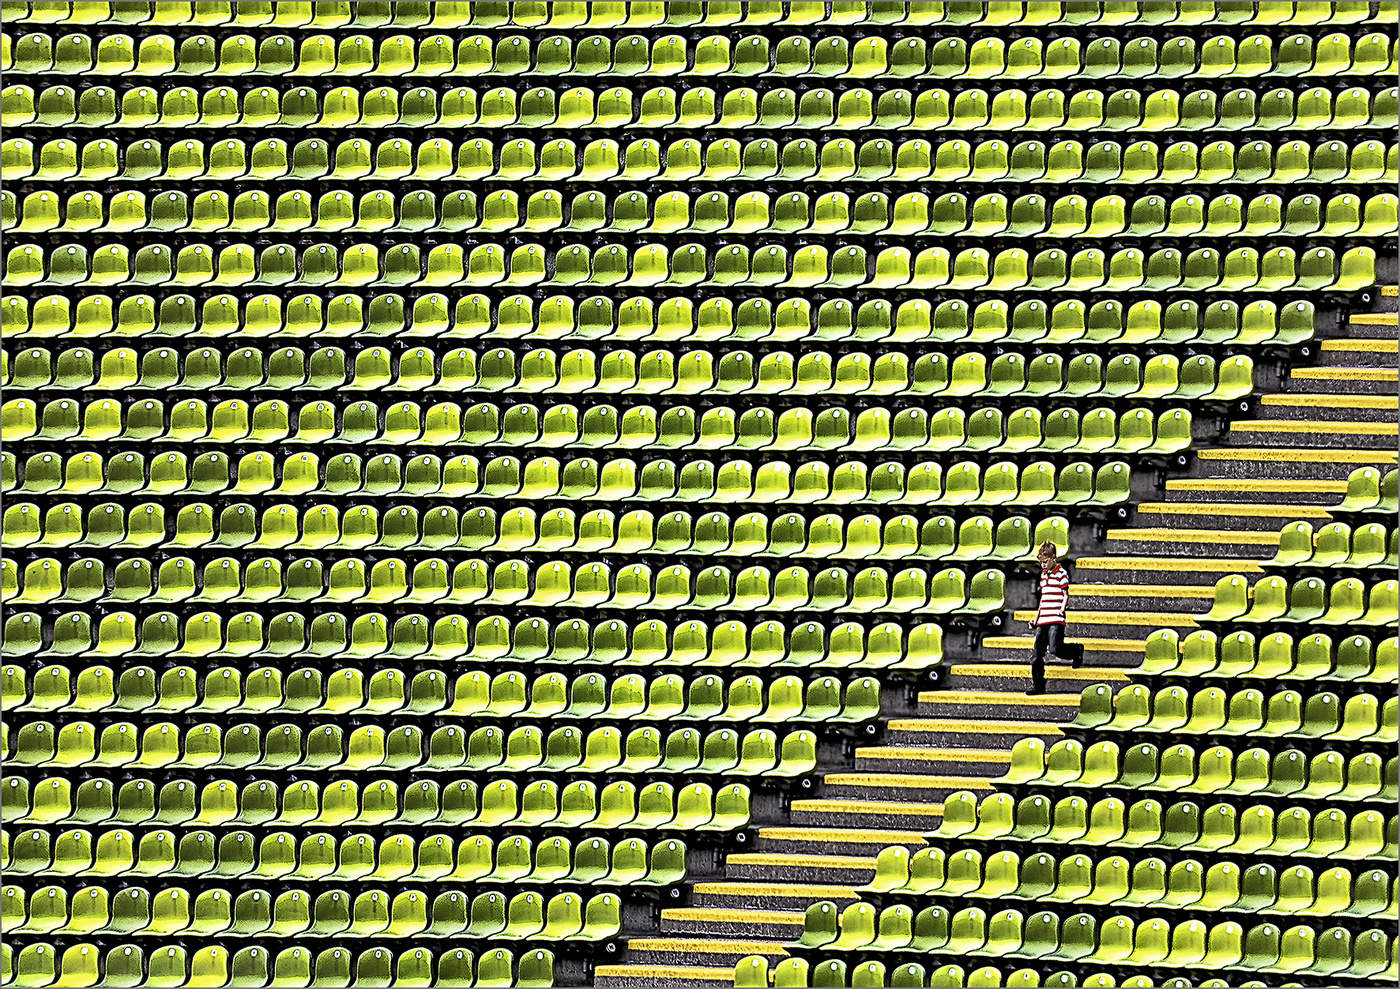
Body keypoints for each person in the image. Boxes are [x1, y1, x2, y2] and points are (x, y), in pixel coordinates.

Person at [1027, 542, 1075, 694]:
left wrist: (1061, 609)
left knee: (1055, 649)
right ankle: (1038, 685)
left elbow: (1065, 594)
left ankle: (1076, 651)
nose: (1043, 565)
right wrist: (1036, 618)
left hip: (1056, 618)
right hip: (1043, 619)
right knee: (1036, 655)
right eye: (1041, 562)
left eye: (1045, 561)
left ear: (1054, 558)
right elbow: (1043, 599)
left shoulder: (1061, 573)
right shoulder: (1043, 575)